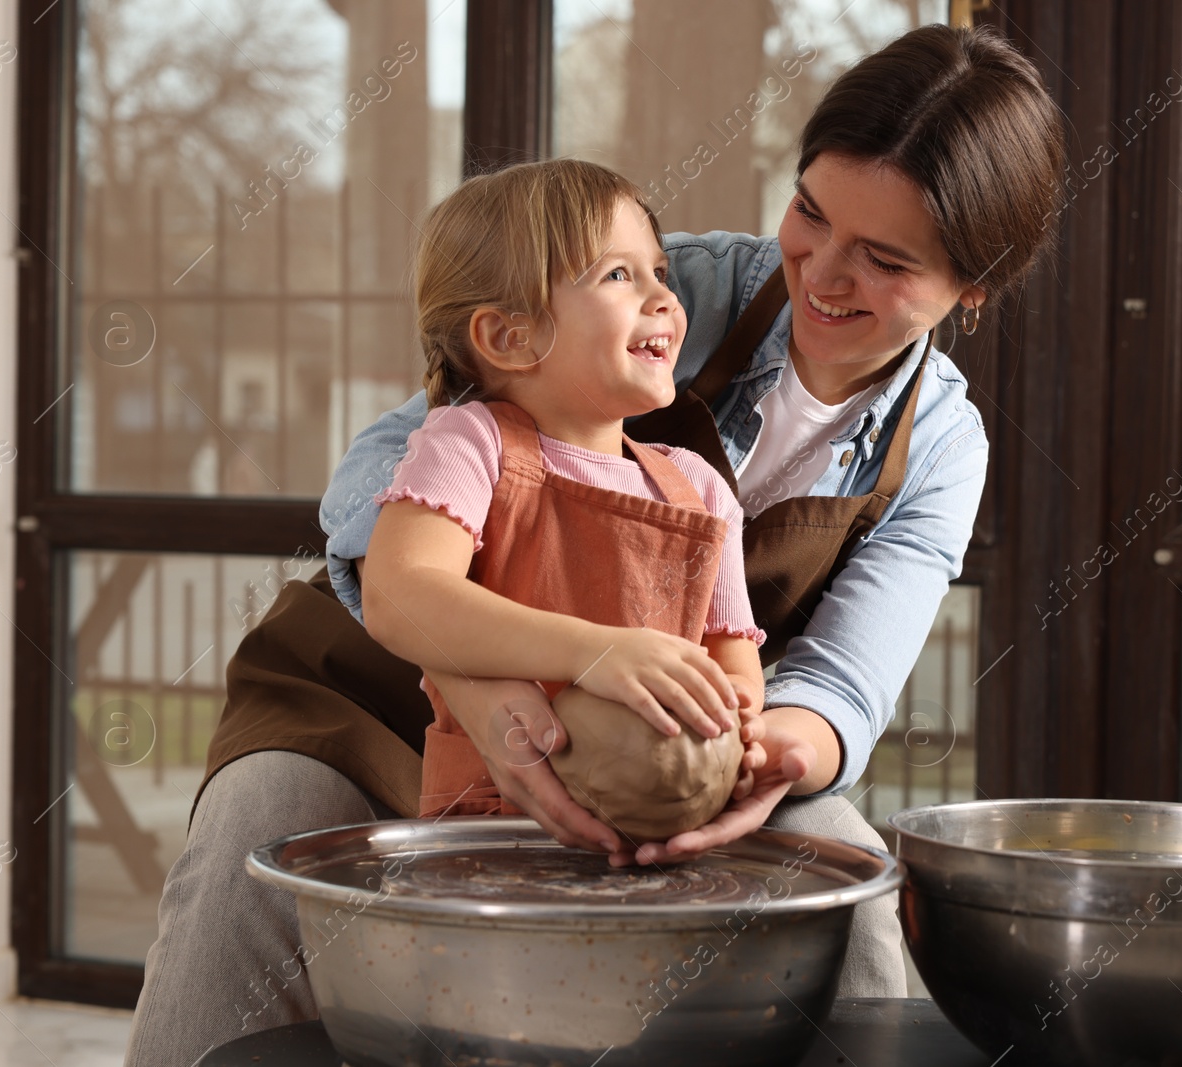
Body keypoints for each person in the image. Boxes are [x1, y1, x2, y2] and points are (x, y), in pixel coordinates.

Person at [124, 23, 1063, 1067]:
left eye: (884, 259)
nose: (823, 273)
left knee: (848, 880)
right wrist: (486, 677)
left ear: (972, 287)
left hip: (644, 744)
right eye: (809, 211)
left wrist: (737, 758)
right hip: (382, 683)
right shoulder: (671, 291)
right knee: (262, 837)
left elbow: (840, 679)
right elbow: (377, 477)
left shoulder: (938, 446)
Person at [361, 157, 767, 823]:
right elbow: (395, 595)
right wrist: (594, 652)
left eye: (659, 273)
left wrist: (737, 728)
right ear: (509, 336)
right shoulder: (471, 443)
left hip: (655, 844)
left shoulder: (699, 489)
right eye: (618, 275)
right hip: (486, 845)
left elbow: (734, 666)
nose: (664, 298)